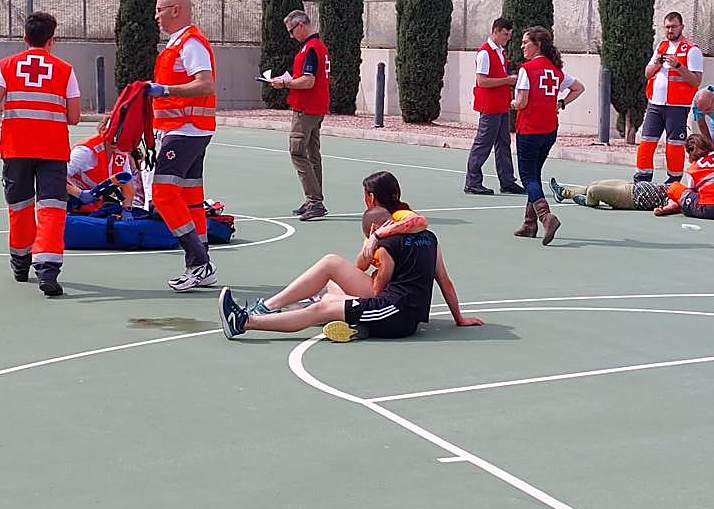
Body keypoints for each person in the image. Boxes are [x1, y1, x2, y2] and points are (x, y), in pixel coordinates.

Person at [217, 172, 483, 342]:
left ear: (371, 200)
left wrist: (378, 239)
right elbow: (445, 282)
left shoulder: (393, 234)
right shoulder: (430, 239)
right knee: (330, 293)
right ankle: (352, 321)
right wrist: (459, 318)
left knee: (321, 307)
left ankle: (245, 322)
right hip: (400, 312)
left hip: (395, 312)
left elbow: (378, 288)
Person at [0, 11, 80, 297]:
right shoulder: (65, 70)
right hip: (52, 150)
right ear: (52, 40)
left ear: (24, 38)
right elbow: (74, 117)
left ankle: (20, 262)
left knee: (20, 207)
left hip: (16, 149)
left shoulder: (7, 66)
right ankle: (48, 270)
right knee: (52, 209)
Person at [147, 0, 218, 292]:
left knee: (163, 193)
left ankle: (198, 261)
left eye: (159, 10)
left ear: (175, 10)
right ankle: (202, 265)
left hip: (186, 129)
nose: (156, 16)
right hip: (185, 129)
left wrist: (164, 90)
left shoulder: (190, 44)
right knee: (189, 197)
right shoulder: (177, 44)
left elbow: (205, 84)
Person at [511, 26, 585, 245]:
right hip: (549, 130)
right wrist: (561, 103)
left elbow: (522, 102)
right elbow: (579, 88)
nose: (522, 46)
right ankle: (529, 223)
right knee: (534, 173)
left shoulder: (526, 70)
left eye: (526, 42)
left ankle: (545, 217)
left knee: (528, 177)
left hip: (529, 129)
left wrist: (513, 103)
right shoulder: (556, 71)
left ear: (538, 45)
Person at [270, 9, 330, 221]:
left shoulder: (311, 48)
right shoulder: (317, 46)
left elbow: (308, 81)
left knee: (298, 152)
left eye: (291, 30)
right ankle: (314, 199)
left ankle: (315, 201)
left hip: (306, 108)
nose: (291, 35)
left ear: (301, 25)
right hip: (315, 107)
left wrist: (284, 83)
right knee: (312, 154)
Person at [636, 11, 703, 184]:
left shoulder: (692, 50)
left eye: (673, 27)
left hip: (677, 106)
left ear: (682, 27)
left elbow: (696, 81)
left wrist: (678, 66)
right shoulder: (662, 46)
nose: (670, 30)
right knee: (646, 142)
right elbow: (647, 73)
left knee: (674, 145)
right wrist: (657, 63)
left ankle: (673, 182)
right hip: (655, 103)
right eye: (667, 27)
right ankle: (642, 180)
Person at [463, 17, 525, 196]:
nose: (508, 38)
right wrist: (507, 80)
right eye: (505, 34)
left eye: (509, 35)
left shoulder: (499, 52)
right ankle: (472, 182)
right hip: (490, 106)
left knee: (503, 143)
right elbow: (482, 81)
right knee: (483, 143)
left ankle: (507, 181)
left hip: (501, 105)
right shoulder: (485, 53)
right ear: (495, 31)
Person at [653, 133, 714, 221]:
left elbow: (690, 192)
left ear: (690, 151)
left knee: (675, 188)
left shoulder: (693, 169)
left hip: (711, 210)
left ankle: (671, 206)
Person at [66, 119, 141, 213]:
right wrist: (80, 194)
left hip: (96, 203)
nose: (116, 138)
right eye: (114, 133)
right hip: (72, 202)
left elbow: (127, 186)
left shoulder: (121, 154)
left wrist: (127, 210)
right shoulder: (85, 151)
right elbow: (60, 176)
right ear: (102, 130)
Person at [549, 177, 667, 210]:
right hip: (632, 186)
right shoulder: (677, 187)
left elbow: (664, 209)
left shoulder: (674, 201)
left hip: (629, 198)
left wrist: (662, 209)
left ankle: (589, 202)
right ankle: (563, 193)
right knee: (595, 183)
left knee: (593, 190)